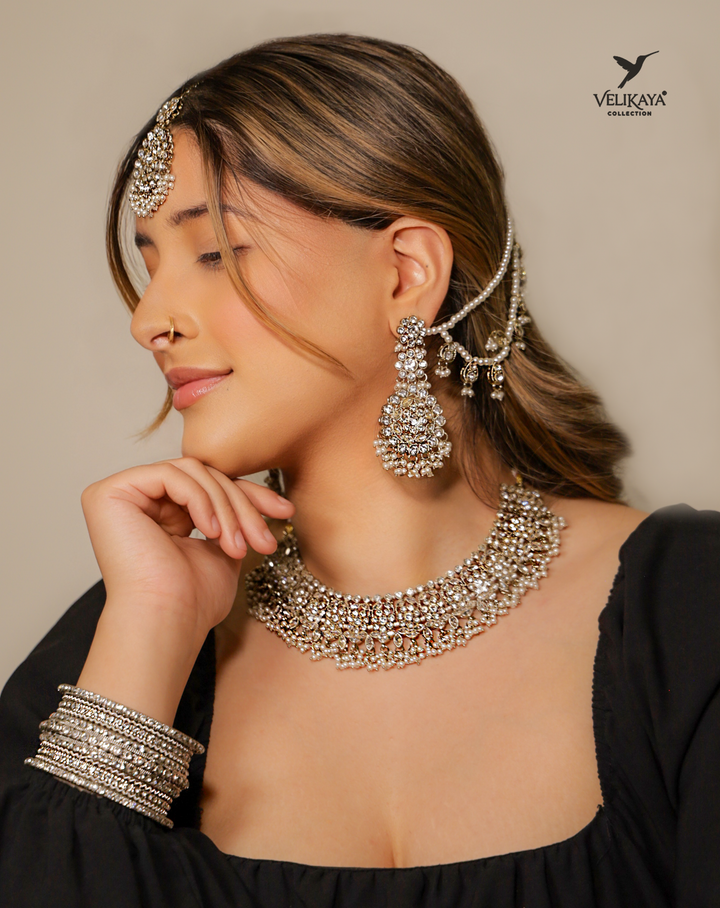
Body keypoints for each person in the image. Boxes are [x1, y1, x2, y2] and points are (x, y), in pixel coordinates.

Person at [1, 32, 718, 908]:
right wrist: (149, 625)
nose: (148, 319)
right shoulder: (135, 635)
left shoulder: (691, 608)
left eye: (216, 253)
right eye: (147, 265)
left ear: (407, 272)